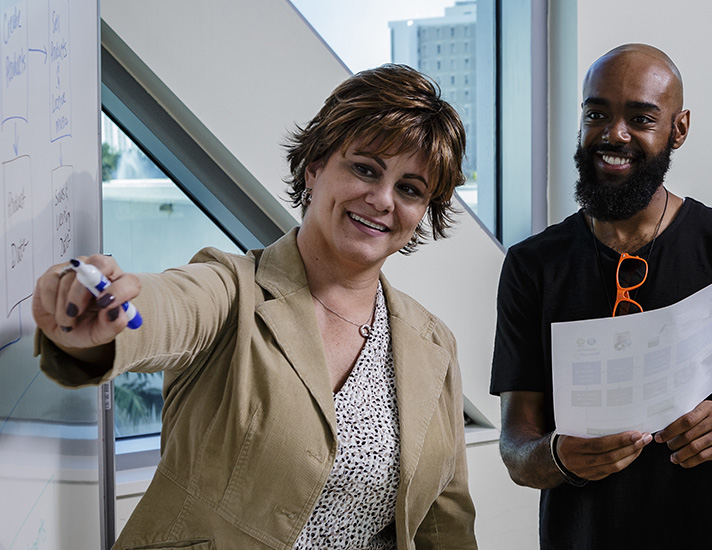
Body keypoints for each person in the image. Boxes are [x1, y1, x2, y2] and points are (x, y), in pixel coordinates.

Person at [33, 64, 477, 549]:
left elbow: (444, 523)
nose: (382, 199)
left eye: (410, 189)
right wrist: (104, 319)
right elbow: (168, 308)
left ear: (423, 213)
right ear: (315, 167)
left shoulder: (432, 342)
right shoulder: (231, 290)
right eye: (365, 168)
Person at [490, 43, 712, 549]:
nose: (613, 134)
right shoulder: (534, 265)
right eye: (597, 113)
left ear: (678, 129)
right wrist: (555, 456)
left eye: (640, 118)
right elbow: (515, 448)